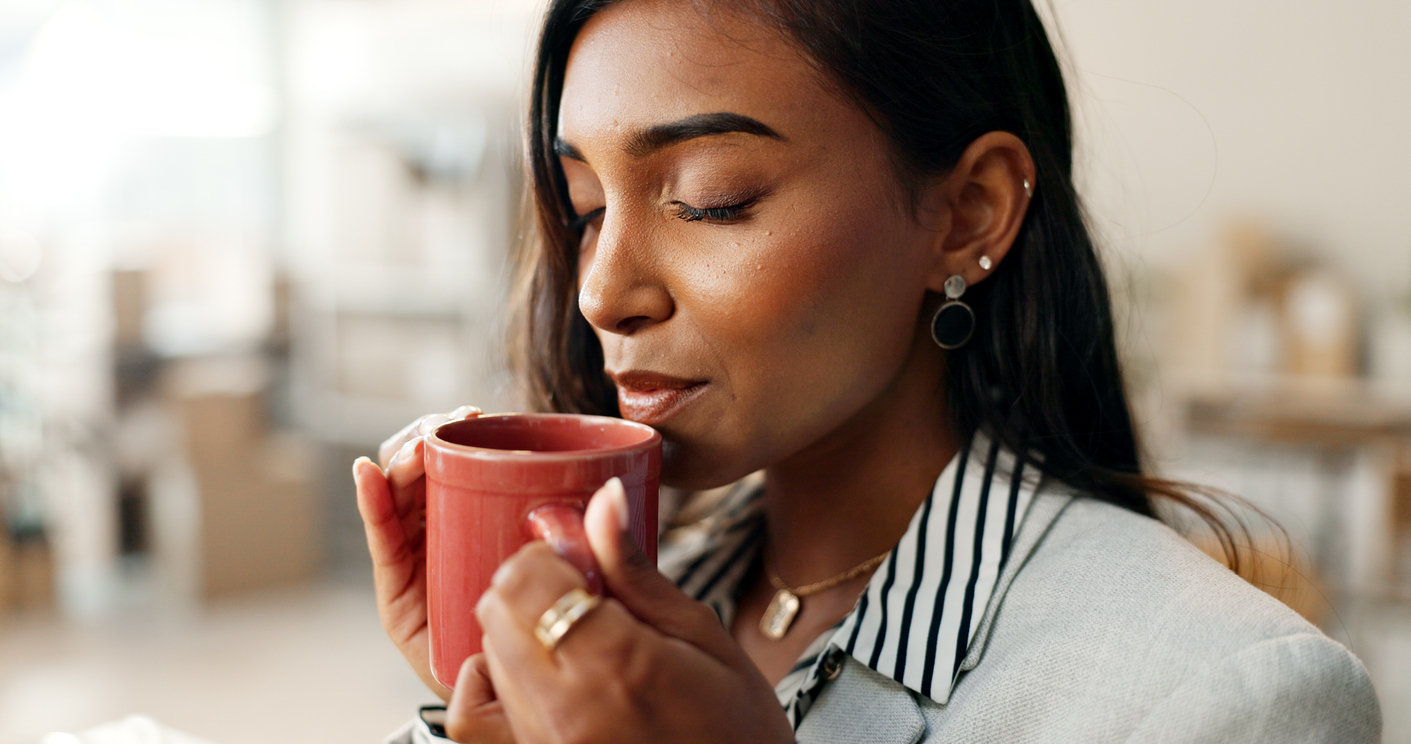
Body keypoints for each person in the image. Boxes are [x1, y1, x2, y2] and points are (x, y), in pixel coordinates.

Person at [351, 0, 1383, 741]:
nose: (600, 291)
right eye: (582, 209)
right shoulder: (633, 615)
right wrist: (476, 698)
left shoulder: (1229, 695)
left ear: (969, 212)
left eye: (711, 196)